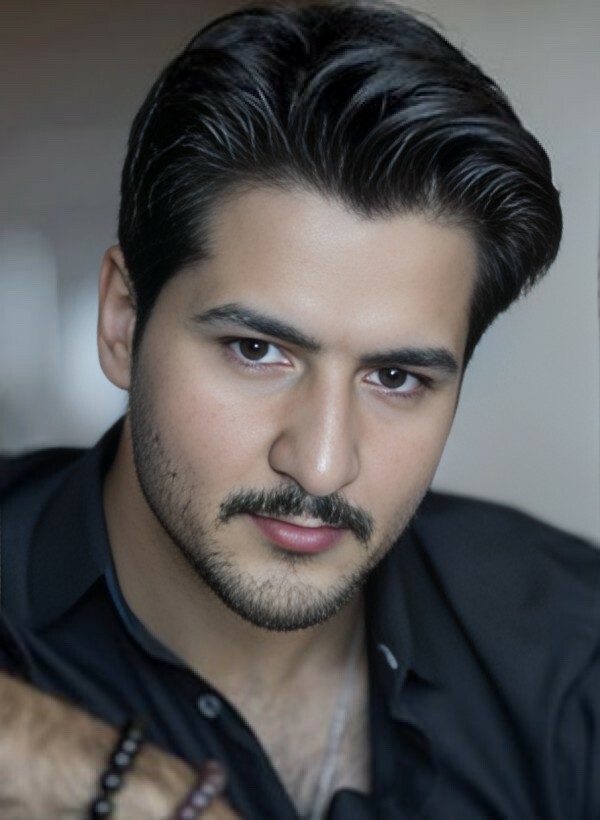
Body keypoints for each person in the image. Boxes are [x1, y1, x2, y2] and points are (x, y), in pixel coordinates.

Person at [1, 2, 598, 818]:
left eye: (395, 377)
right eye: (257, 350)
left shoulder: (571, 645)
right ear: (122, 322)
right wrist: (118, 783)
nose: (320, 465)